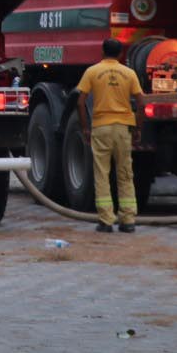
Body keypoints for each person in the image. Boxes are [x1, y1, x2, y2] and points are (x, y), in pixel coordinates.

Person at [74, 37, 144, 233]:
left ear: (102, 52)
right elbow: (141, 103)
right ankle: (128, 220)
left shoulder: (92, 72)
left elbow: (80, 102)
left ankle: (106, 220)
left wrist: (86, 128)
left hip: (101, 128)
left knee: (102, 174)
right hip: (123, 129)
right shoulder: (129, 73)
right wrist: (138, 129)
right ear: (121, 54)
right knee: (125, 174)